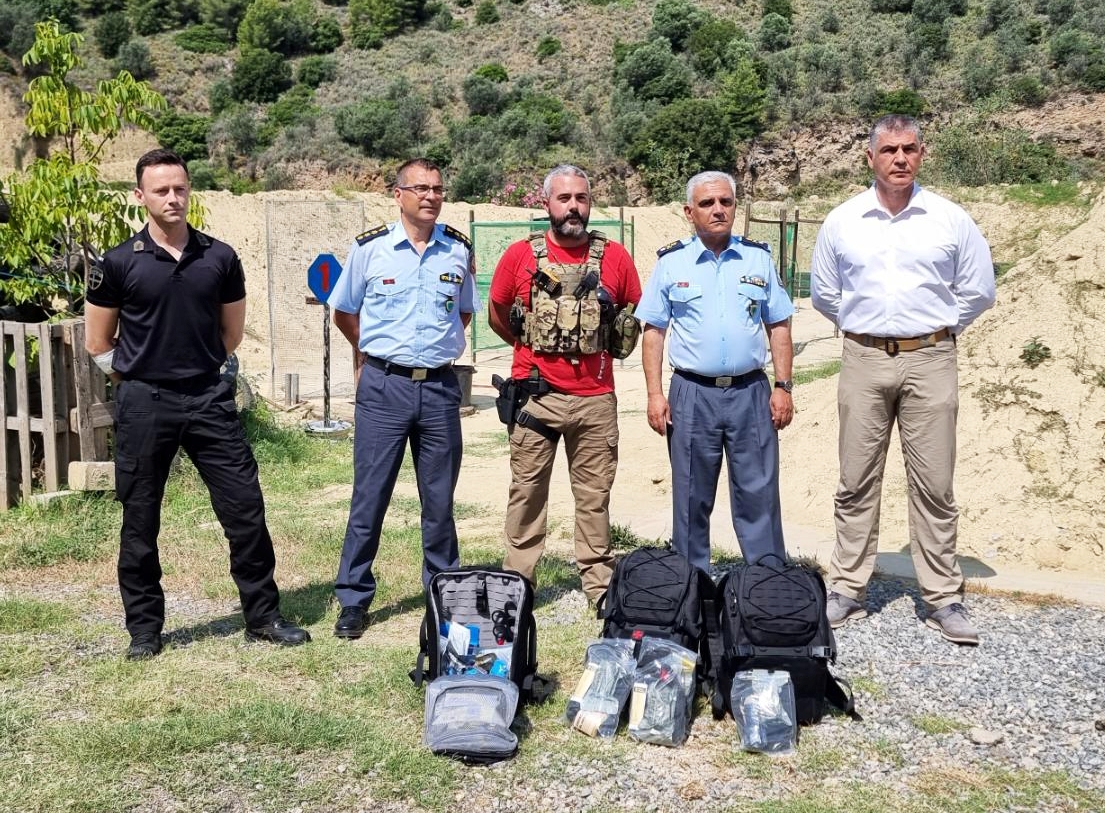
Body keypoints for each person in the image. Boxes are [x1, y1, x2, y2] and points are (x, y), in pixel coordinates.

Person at [84, 148, 310, 660]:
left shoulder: (219, 257)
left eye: (179, 188)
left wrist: (195, 370)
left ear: (189, 191)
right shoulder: (118, 262)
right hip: (145, 403)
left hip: (209, 398)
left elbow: (231, 334)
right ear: (139, 196)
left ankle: (263, 617)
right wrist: (140, 377)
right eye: (160, 190)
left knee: (245, 509)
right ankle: (145, 630)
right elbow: (98, 343)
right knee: (140, 519)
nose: (172, 197)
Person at [810, 114, 996, 646]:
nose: (899, 158)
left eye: (909, 149)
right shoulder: (843, 220)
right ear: (870, 157)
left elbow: (979, 290)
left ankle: (942, 598)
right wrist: (867, 328)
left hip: (931, 358)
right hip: (863, 359)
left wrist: (936, 329)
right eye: (889, 150)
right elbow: (825, 294)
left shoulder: (949, 219)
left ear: (922, 154)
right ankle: (847, 588)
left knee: (934, 483)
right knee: (856, 479)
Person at [328, 158, 479, 639]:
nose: (431, 196)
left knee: (440, 501)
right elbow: (344, 312)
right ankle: (353, 598)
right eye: (420, 188)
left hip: (439, 387)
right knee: (369, 497)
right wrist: (375, 355)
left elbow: (463, 313)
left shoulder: (457, 250)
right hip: (384, 387)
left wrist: (434, 352)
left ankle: (442, 596)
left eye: (437, 189)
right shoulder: (370, 249)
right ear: (398, 195)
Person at [488, 165, 642, 603]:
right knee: (526, 495)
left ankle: (599, 587)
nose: (573, 207)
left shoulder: (615, 257)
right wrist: (527, 352)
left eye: (581, 198)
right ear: (547, 204)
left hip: (595, 400)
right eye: (564, 198)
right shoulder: (520, 256)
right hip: (536, 399)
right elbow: (497, 313)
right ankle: (518, 586)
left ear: (589, 203)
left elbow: (632, 314)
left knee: (594, 497)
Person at [636, 171, 795, 574]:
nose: (718, 210)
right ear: (690, 212)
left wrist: (783, 386)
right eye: (707, 203)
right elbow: (654, 332)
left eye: (726, 201)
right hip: (692, 394)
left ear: (735, 207)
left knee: (759, 491)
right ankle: (692, 584)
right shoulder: (671, 262)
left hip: (751, 393)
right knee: (691, 493)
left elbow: (779, 324)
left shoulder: (758, 258)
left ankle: (766, 581)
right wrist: (655, 394)